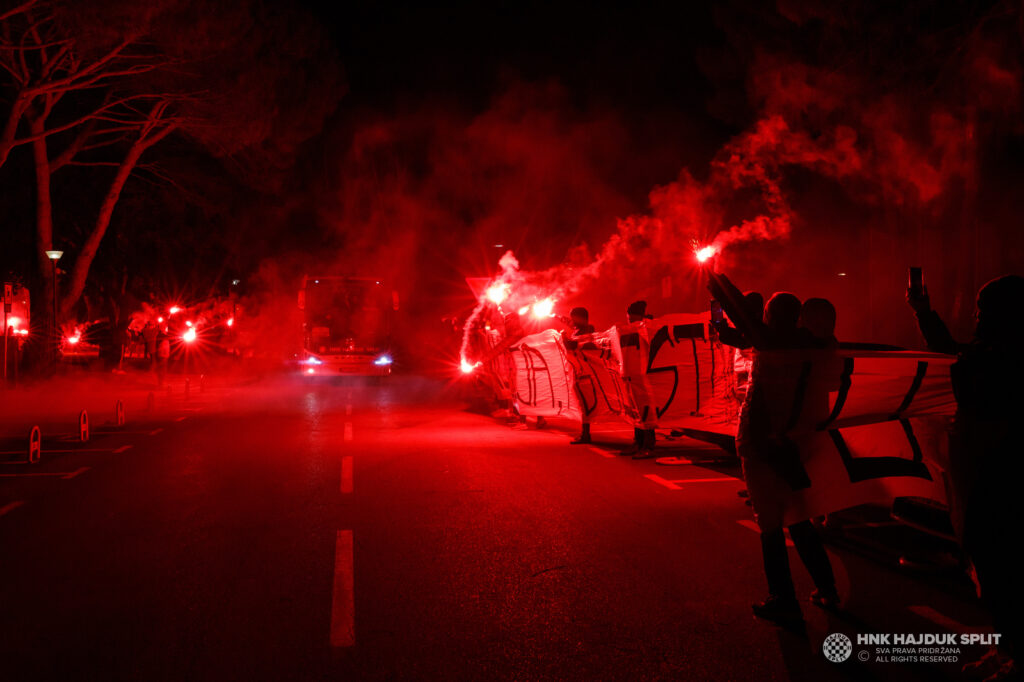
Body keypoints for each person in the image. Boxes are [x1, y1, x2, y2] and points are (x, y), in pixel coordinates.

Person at [908, 275, 1024, 681]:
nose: (976, 316)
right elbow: (953, 354)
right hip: (982, 468)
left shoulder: (1009, 357)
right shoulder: (989, 351)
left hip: (1002, 471)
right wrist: (924, 313)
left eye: (982, 308)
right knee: (987, 559)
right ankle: (1006, 647)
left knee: (1002, 563)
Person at [709, 273, 839, 625]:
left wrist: (713, 276)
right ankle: (827, 588)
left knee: (769, 523)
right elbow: (737, 332)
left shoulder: (768, 342)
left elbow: (739, 318)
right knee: (798, 517)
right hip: (799, 444)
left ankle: (783, 598)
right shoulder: (816, 345)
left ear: (768, 316)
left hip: (762, 444)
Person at [620, 300, 657, 458]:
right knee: (636, 411)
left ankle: (648, 445)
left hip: (644, 378)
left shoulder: (647, 328)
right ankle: (638, 442)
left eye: (630, 316)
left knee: (646, 411)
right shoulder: (628, 330)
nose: (628, 319)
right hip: (632, 377)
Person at [561, 307, 597, 444]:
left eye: (573, 317)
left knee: (585, 404)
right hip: (579, 371)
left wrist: (564, 337)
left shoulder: (586, 331)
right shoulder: (582, 330)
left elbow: (573, 346)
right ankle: (585, 433)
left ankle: (586, 434)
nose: (572, 321)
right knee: (583, 405)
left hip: (585, 373)